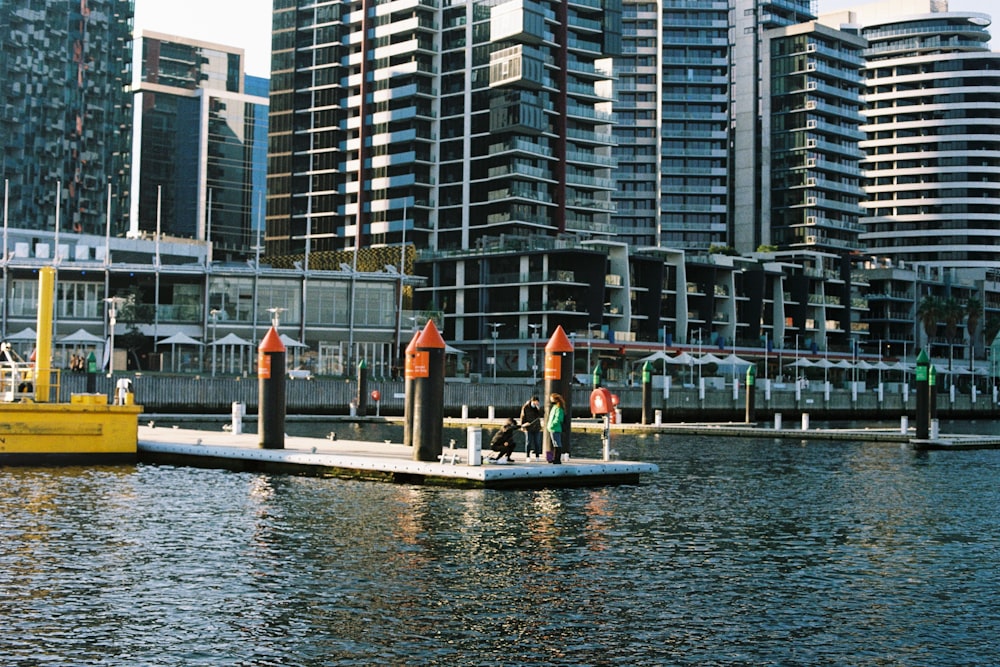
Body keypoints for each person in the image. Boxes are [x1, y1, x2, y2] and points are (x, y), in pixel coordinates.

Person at [519, 395, 543, 461]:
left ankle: (537, 456)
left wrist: (538, 409)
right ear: (533, 401)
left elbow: (541, 415)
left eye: (537, 402)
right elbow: (522, 416)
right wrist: (522, 425)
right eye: (536, 402)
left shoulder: (537, 408)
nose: (537, 403)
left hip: (536, 427)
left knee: (537, 442)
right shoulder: (526, 407)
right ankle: (527, 456)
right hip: (528, 427)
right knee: (528, 442)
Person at [546, 392, 566, 464]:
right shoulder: (555, 407)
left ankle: (557, 459)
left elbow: (558, 419)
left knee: (557, 443)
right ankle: (553, 458)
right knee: (554, 443)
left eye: (552, 399)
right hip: (552, 428)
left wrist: (552, 425)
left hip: (555, 428)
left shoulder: (559, 408)